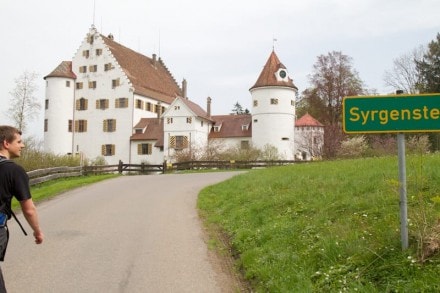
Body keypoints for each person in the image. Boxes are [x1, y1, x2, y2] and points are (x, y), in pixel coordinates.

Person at [0, 126, 44, 292]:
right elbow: (29, 209)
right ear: (6, 143)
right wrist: (37, 231)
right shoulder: (14, 171)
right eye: (19, 142)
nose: (23, 145)